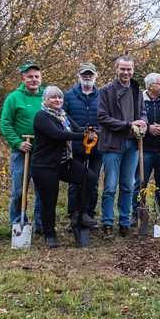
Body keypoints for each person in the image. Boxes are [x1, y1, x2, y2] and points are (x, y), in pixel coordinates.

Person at [31, 86, 96, 247]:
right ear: (45, 100)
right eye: (53, 97)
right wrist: (83, 136)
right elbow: (58, 135)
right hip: (44, 166)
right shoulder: (42, 116)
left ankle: (78, 214)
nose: (57, 100)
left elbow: (77, 129)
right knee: (49, 200)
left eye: (60, 98)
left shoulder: (63, 115)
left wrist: (89, 131)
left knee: (89, 177)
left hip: (64, 162)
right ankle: (50, 234)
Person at [97, 55, 147, 237]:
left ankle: (124, 222)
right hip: (112, 144)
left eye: (129, 69)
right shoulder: (106, 91)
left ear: (133, 70)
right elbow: (102, 117)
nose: (126, 72)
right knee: (110, 186)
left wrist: (143, 123)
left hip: (132, 145)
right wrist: (127, 125)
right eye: (122, 69)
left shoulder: (136, 90)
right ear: (116, 69)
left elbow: (142, 113)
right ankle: (108, 223)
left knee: (128, 185)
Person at [0, 61, 43, 232]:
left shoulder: (46, 96)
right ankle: (18, 224)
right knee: (19, 190)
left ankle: (41, 224)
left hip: (42, 152)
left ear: (41, 78)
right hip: (21, 152)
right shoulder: (14, 98)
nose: (33, 79)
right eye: (30, 76)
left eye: (36, 76)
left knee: (42, 189)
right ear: (23, 78)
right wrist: (18, 143)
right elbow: (5, 123)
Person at [63, 63, 101, 227]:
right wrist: (77, 132)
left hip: (97, 147)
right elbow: (63, 118)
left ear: (95, 76)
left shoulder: (102, 96)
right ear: (78, 75)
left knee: (93, 181)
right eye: (84, 74)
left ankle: (88, 214)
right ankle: (74, 214)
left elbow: (106, 118)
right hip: (76, 147)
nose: (87, 77)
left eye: (90, 74)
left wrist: (97, 131)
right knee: (75, 182)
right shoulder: (68, 96)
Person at [132, 73, 160, 220]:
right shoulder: (138, 102)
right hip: (144, 150)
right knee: (140, 182)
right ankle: (137, 213)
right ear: (150, 86)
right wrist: (148, 128)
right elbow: (133, 121)